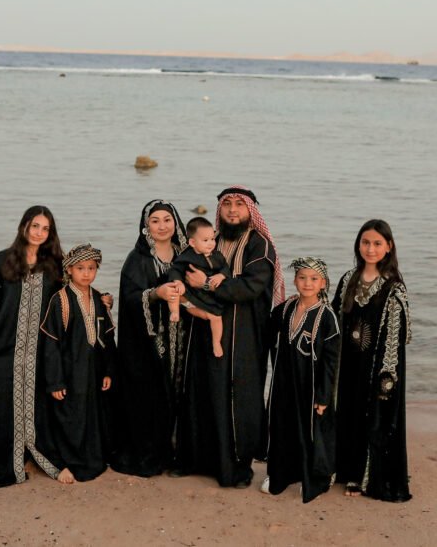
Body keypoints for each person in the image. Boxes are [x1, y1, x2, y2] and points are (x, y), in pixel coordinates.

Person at [175, 186, 286, 488]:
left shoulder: (259, 245)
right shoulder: (210, 242)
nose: (233, 210)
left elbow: (251, 287)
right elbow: (184, 274)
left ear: (251, 211)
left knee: (239, 399)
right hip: (204, 331)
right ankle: (197, 461)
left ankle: (236, 469)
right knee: (202, 391)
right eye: (227, 205)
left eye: (239, 204)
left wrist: (208, 284)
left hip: (244, 337)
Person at [0, 205, 65, 488]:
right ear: (24, 226)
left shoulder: (55, 264)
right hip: (4, 346)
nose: (39, 232)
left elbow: (72, 295)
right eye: (35, 225)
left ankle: (31, 454)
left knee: (36, 405)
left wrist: (103, 299)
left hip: (39, 352)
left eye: (45, 228)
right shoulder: (2, 261)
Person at [332, 219, 412, 502]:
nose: (371, 248)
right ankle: (343, 469)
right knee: (347, 413)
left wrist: (386, 375)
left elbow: (395, 336)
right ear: (358, 245)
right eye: (366, 242)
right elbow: (334, 322)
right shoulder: (347, 280)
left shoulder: (393, 288)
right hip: (349, 364)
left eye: (377, 243)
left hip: (377, 366)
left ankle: (364, 477)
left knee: (372, 418)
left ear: (388, 247)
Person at [109, 200, 190, 478]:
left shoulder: (186, 254)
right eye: (155, 220)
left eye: (167, 219)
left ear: (176, 222)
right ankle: (151, 454)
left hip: (184, 339)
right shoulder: (138, 259)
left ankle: (180, 451)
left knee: (182, 393)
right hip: (150, 342)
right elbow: (130, 299)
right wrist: (155, 294)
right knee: (151, 396)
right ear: (146, 226)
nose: (162, 226)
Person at [263, 257, 341, 503]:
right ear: (295, 280)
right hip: (283, 384)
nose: (307, 283)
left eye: (314, 279)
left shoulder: (327, 317)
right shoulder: (285, 308)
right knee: (281, 427)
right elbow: (262, 331)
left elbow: (331, 362)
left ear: (323, 283)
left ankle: (317, 476)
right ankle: (280, 474)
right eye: (302, 277)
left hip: (311, 387)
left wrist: (323, 395)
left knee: (311, 432)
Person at [39, 244, 116, 483]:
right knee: (70, 416)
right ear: (69, 270)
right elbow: (50, 345)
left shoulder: (99, 298)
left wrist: (108, 371)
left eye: (91, 268)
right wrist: (55, 381)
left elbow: (108, 339)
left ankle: (93, 458)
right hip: (69, 372)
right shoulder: (60, 300)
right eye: (80, 268)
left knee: (92, 415)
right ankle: (68, 462)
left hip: (93, 371)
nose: (86, 273)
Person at [169, 216, 230, 357]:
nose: (211, 243)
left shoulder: (217, 256)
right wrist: (178, 281)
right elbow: (175, 270)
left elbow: (225, 268)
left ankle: (216, 342)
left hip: (206, 295)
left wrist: (221, 276)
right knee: (174, 292)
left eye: (212, 239)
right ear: (192, 242)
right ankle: (175, 312)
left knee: (216, 317)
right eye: (205, 240)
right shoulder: (187, 256)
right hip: (189, 292)